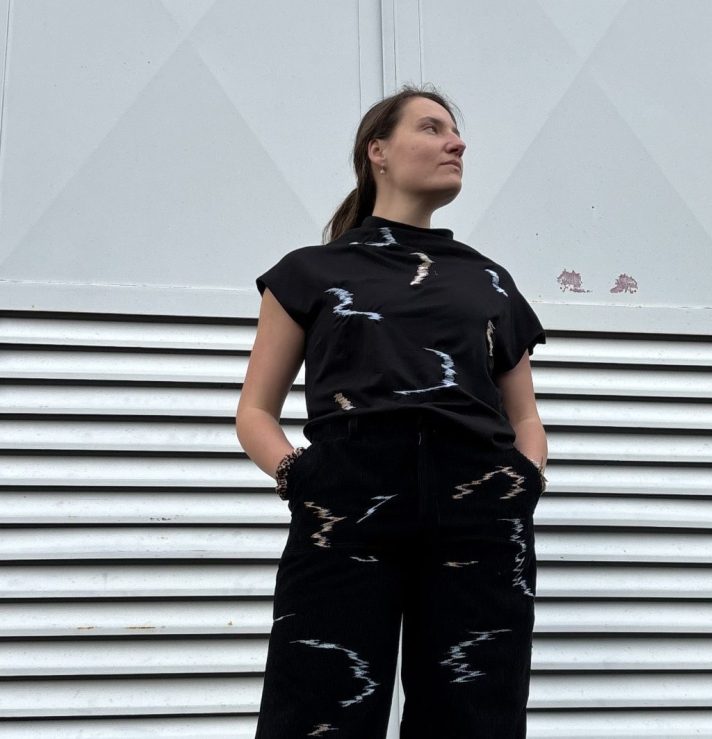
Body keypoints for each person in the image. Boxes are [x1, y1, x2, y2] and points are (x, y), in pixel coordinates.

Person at [236, 83, 548, 739]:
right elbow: (255, 411)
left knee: (477, 717)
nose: (456, 143)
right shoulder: (310, 272)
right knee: (318, 708)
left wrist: (523, 480)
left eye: (455, 132)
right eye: (432, 128)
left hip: (480, 510)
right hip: (348, 500)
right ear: (377, 150)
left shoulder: (489, 281)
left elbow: (525, 416)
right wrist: (302, 477)